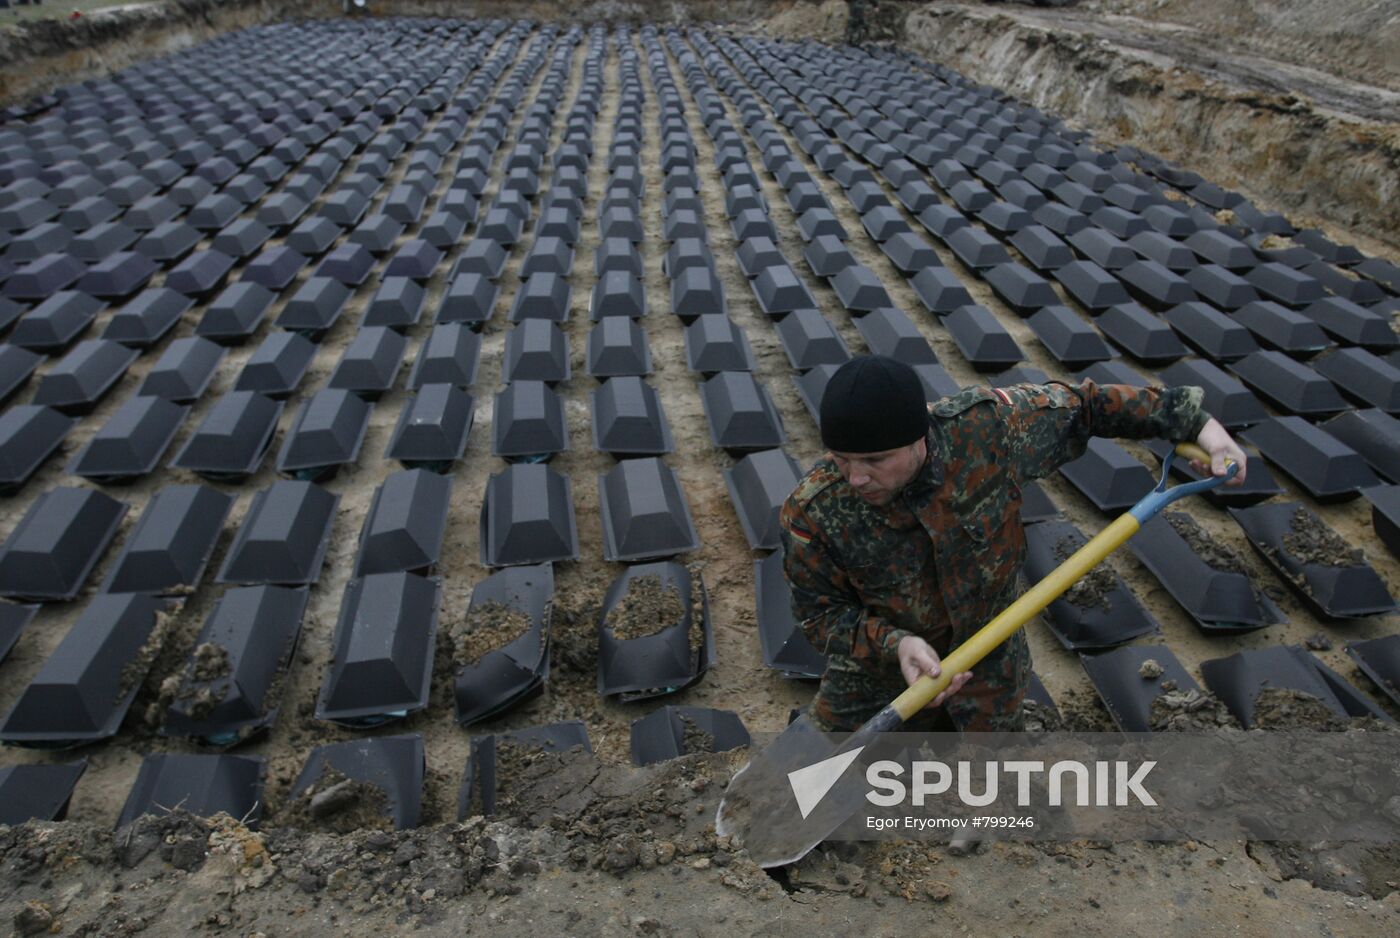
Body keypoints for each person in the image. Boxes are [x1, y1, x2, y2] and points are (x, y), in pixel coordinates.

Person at [779, 355, 1246, 734]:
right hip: (882, 662)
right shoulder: (814, 511)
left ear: (919, 437)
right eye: (841, 459)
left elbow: (1088, 405)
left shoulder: (987, 432)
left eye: (875, 460)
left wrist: (1201, 426)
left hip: (990, 644)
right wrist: (896, 644)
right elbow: (820, 616)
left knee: (993, 761)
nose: (857, 477)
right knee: (819, 760)